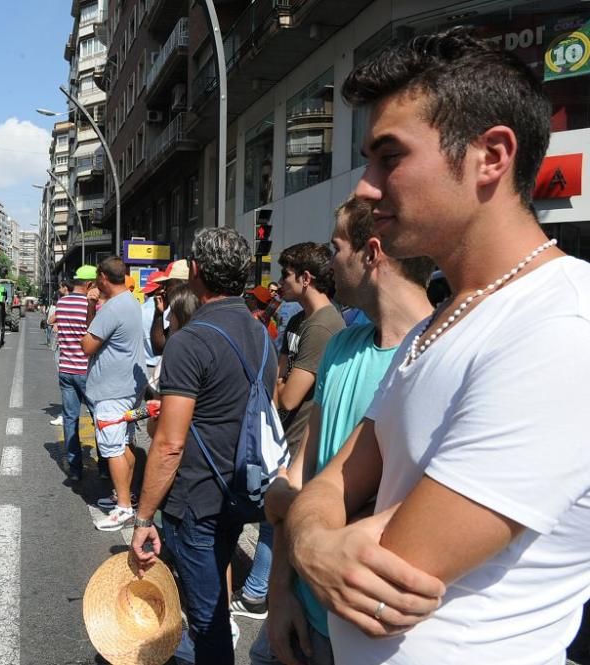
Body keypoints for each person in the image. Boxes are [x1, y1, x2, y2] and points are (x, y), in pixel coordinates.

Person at [286, 27, 590, 663]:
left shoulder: (562, 324)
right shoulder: (438, 326)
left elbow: (389, 574)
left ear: (491, 156)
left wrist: (308, 532)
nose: (366, 188)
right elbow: (333, 479)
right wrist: (313, 541)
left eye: (388, 156)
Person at [250, 195, 434, 665]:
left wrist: (290, 504)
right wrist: (280, 590)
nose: (329, 263)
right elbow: (301, 472)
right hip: (306, 608)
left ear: (371, 254)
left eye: (336, 249)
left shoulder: (439, 355)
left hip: (368, 626)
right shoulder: (342, 345)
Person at [131, 228, 277, 664]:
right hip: (240, 490)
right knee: (213, 598)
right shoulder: (261, 333)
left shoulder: (190, 340)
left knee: (207, 623)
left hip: (196, 498)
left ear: (195, 271)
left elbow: (170, 444)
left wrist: (143, 517)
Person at [233, 242, 344, 620]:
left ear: (306, 278)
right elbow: (276, 378)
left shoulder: (326, 326)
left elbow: (290, 395)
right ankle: (261, 589)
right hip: (282, 434)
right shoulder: (299, 322)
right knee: (272, 514)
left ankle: (257, 593)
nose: (279, 282)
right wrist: (279, 383)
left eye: (285, 274)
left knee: (276, 519)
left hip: (300, 439)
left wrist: (279, 383)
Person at [81, 257, 147, 531]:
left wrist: (91, 305)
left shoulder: (111, 308)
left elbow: (87, 344)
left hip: (112, 390)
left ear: (103, 278)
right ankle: (126, 497)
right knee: (125, 443)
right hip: (128, 387)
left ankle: (123, 508)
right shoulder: (131, 301)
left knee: (112, 449)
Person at [53, 270, 95, 481]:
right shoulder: (91, 306)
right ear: (88, 285)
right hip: (87, 371)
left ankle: (75, 468)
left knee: (71, 419)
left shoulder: (61, 304)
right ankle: (107, 467)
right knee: (100, 418)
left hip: (66, 369)